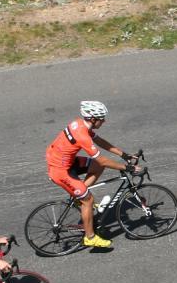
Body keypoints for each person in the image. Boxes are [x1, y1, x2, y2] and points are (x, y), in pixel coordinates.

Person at [46, 100, 140, 248]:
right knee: (88, 200)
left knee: (96, 167)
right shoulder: (82, 135)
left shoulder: (81, 123)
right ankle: (90, 237)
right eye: (101, 119)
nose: (104, 121)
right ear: (93, 118)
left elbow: (101, 142)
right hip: (60, 171)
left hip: (63, 161)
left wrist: (124, 155)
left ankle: (78, 195)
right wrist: (125, 167)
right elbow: (102, 160)